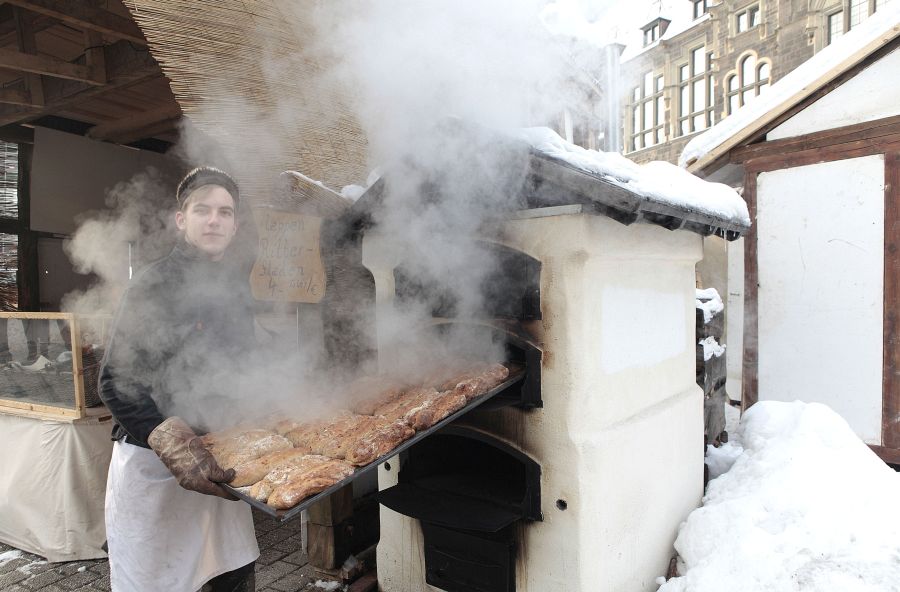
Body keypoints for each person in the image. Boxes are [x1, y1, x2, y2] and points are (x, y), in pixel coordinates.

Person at [99, 167, 259, 592]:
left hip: (217, 462)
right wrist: (167, 439)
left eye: (225, 212)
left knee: (232, 577)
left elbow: (244, 364)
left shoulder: (236, 289)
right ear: (181, 219)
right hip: (154, 467)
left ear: (235, 225)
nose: (214, 220)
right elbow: (113, 381)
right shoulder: (150, 285)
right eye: (202, 210)